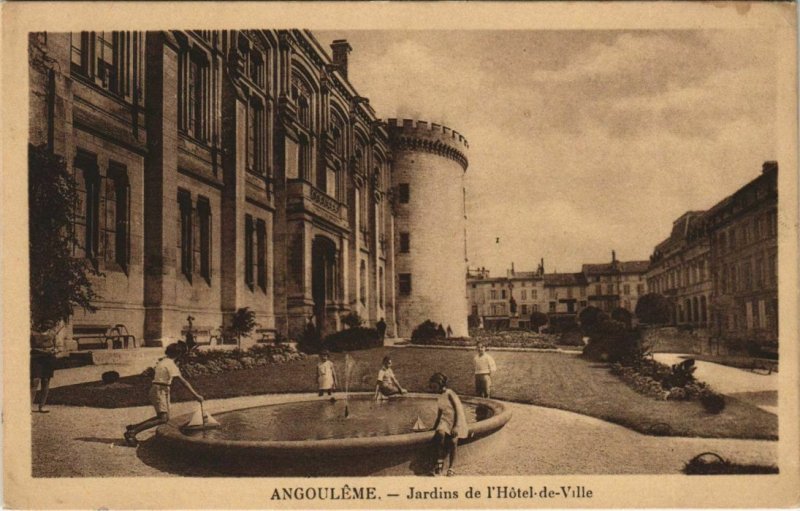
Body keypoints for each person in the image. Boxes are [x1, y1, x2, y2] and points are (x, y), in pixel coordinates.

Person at [124, 343, 203, 447]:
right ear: (178, 354)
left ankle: (133, 427)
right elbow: (183, 381)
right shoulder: (170, 364)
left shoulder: (163, 361)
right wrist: (196, 395)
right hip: (160, 390)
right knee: (163, 418)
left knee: (161, 417)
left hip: (158, 388)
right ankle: (132, 432)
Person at [428, 372, 468, 476]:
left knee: (453, 441)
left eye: (435, 386)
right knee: (440, 433)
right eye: (432, 386)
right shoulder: (440, 397)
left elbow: (458, 409)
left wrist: (456, 426)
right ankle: (440, 461)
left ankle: (451, 467)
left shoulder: (450, 393)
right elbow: (439, 414)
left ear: (440, 383)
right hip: (445, 420)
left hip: (456, 420)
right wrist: (434, 427)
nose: (433, 388)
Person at [30, 334, 57, 413]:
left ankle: (42, 405)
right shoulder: (33, 332)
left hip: (48, 358)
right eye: (46, 322)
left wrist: (54, 350)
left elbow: (57, 346)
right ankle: (29, 405)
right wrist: (41, 350)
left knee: (45, 380)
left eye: (50, 323)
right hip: (36, 358)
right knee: (35, 380)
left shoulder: (52, 332)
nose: (48, 324)